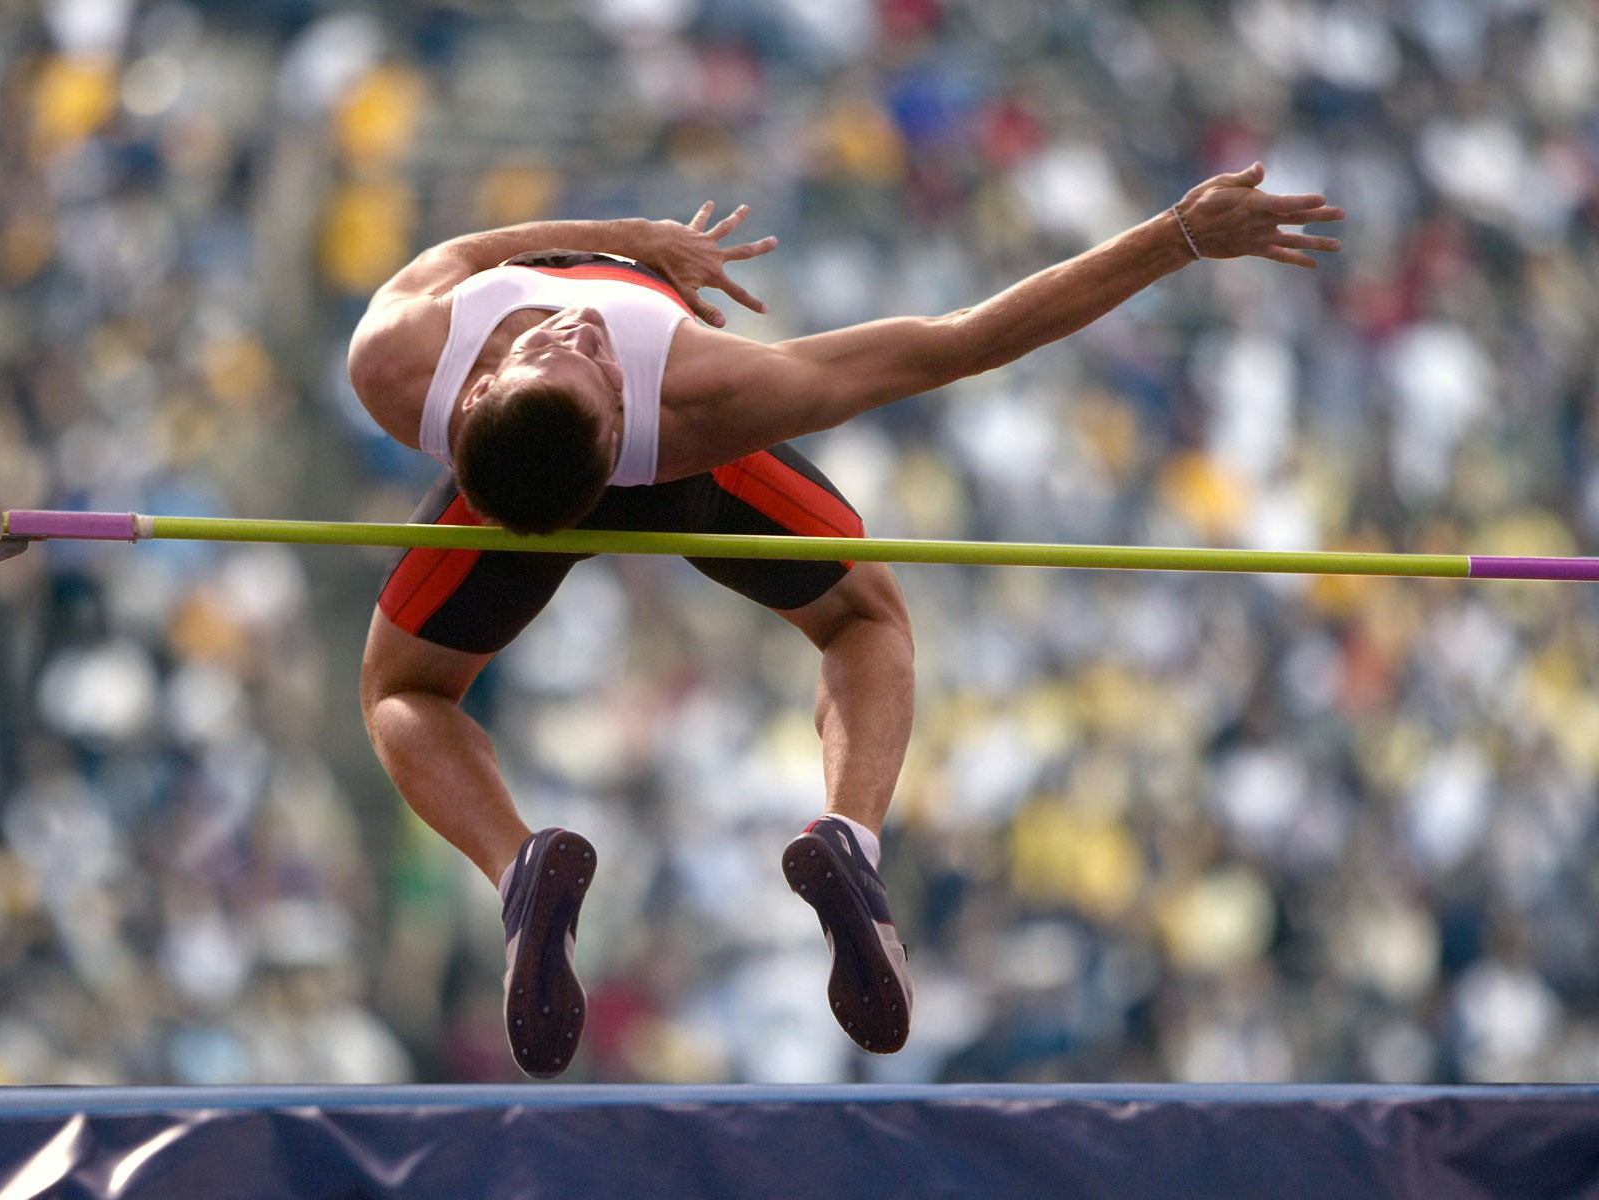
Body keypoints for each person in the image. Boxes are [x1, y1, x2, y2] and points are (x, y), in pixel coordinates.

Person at [349, 162, 1342, 1078]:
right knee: (865, 621)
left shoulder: (395, 361)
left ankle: (518, 866)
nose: (586, 337)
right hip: (693, 461)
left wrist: (627, 235)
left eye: (576, 350)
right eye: (584, 366)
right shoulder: (706, 394)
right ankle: (850, 839)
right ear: (612, 431)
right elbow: (961, 340)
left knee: (403, 690)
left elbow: (467, 255)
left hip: (514, 499)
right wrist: (1179, 235)